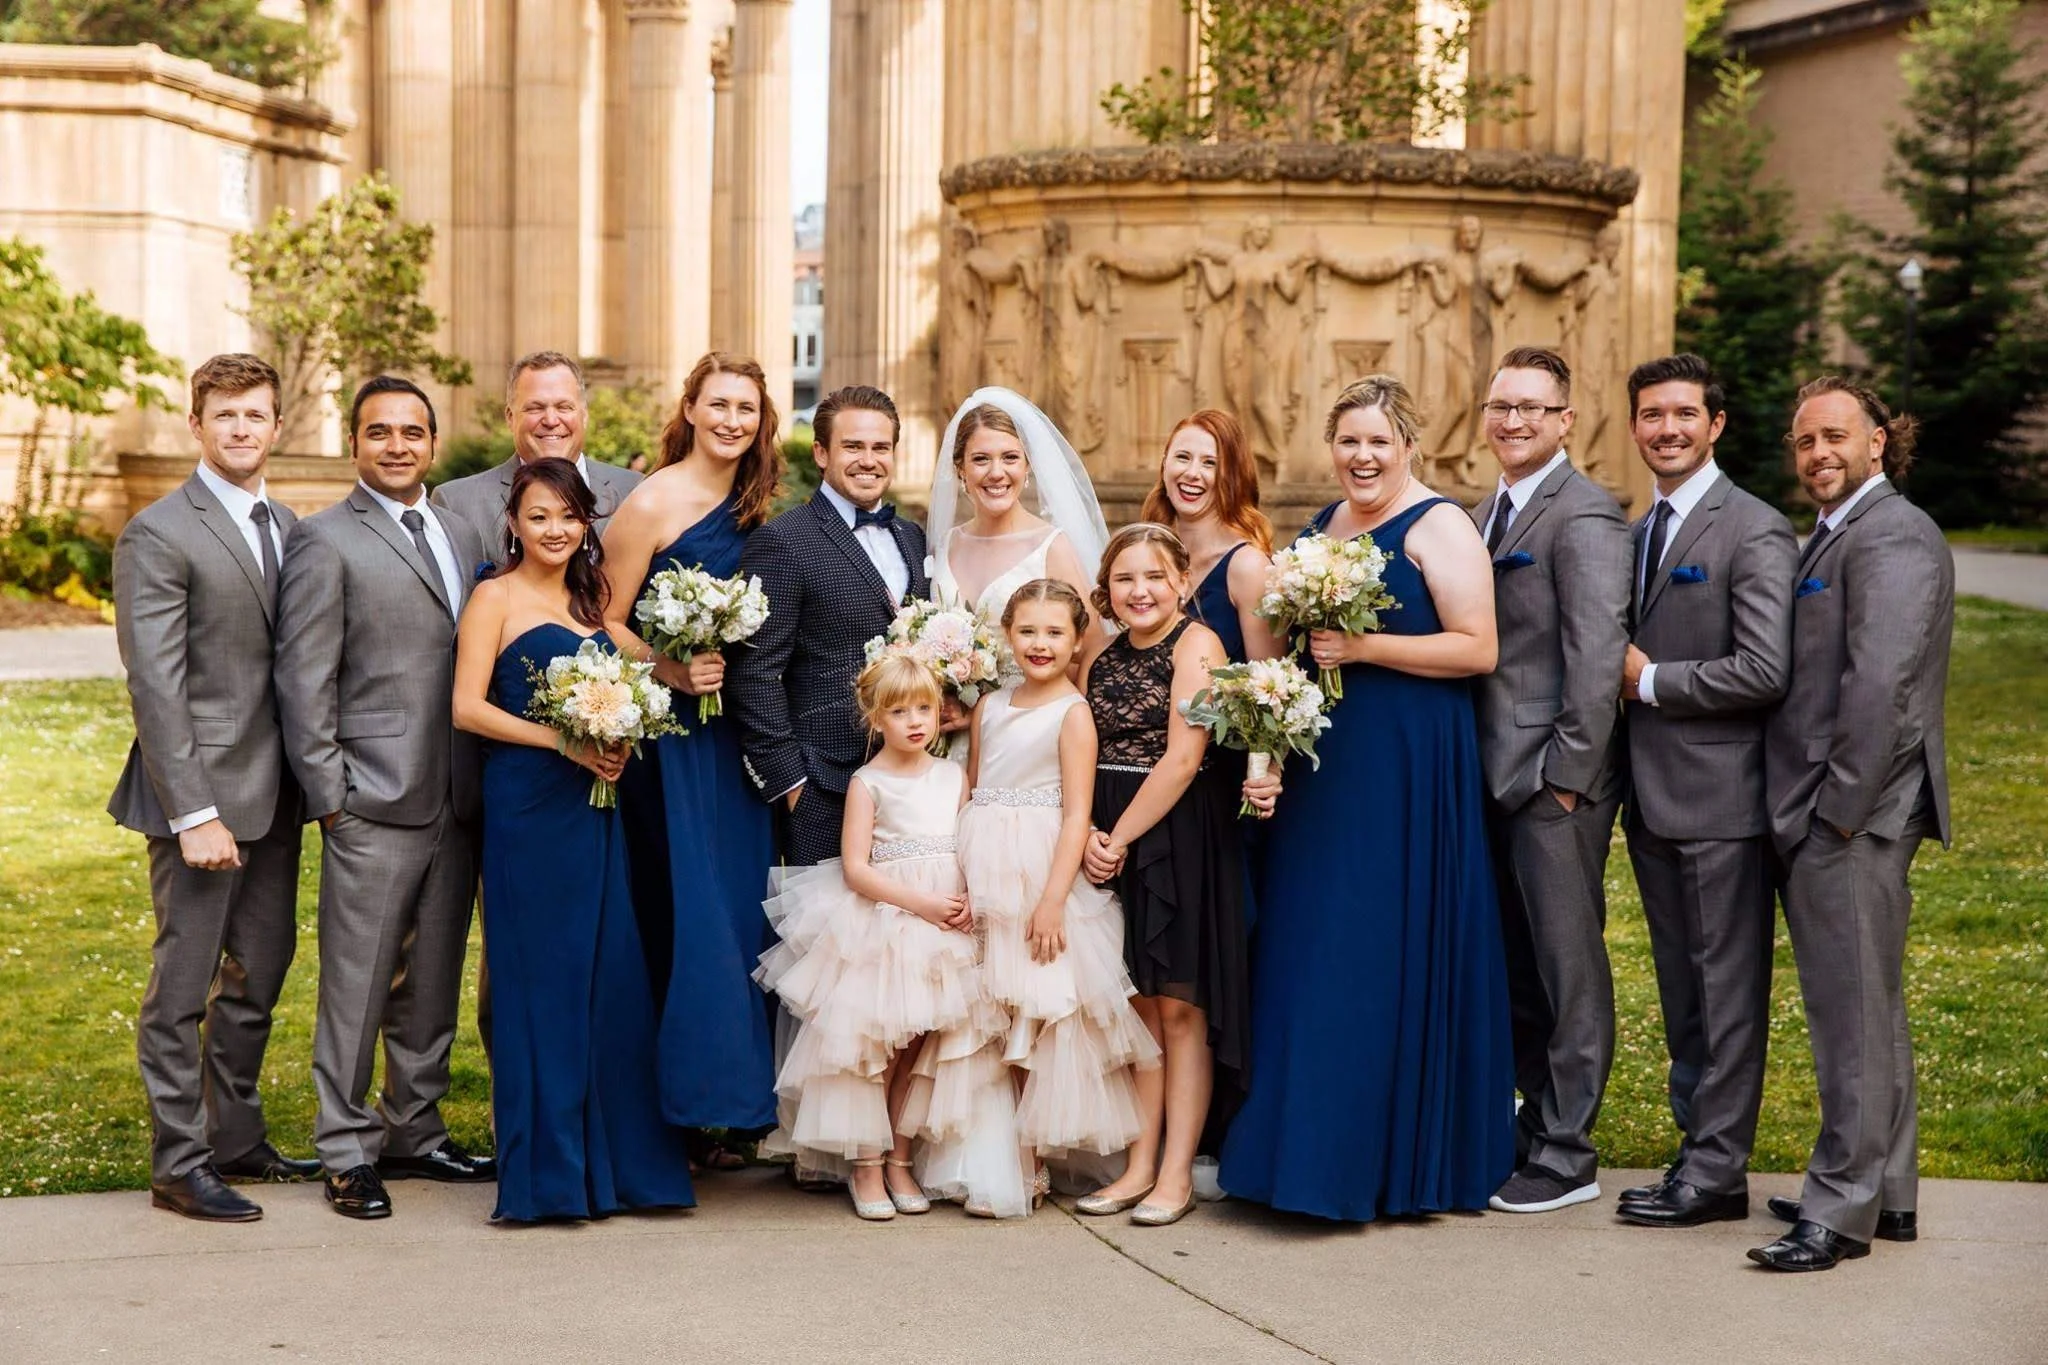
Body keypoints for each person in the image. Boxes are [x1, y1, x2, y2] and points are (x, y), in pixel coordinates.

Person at [1219, 375, 1514, 1222]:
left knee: (1378, 951)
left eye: (1379, 441)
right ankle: (1294, 1155)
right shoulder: (1321, 527)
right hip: (1327, 768)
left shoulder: (1440, 523)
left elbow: (1477, 648)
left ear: (1409, 445)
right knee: (1311, 947)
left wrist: (1366, 644)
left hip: (1407, 763)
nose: (1362, 456)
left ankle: (1378, 1164)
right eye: (1349, 440)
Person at [274, 376, 495, 1222]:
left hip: (457, 791)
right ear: (354, 444)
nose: (397, 445)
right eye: (380, 432)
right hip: (371, 797)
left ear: (433, 443)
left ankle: (414, 1127)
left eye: (412, 431)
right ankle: (344, 1144)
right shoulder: (325, 540)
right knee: (358, 982)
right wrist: (333, 797)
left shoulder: (459, 526)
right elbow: (303, 681)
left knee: (433, 976)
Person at [451, 458, 693, 1222]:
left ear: (588, 522)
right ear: (515, 525)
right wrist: (560, 743)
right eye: (539, 517)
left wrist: (622, 733)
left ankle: (618, 1169)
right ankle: (548, 1176)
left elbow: (634, 684)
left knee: (610, 975)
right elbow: (466, 708)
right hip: (527, 808)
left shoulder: (593, 602)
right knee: (542, 985)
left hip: (596, 806)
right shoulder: (494, 596)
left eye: (568, 516)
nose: (555, 530)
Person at [110, 353, 319, 1222]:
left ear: (278, 426)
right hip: (196, 798)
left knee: (262, 969)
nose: (241, 429)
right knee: (183, 984)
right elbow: (155, 684)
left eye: (256, 415)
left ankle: (234, 1134)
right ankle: (178, 1160)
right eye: (224, 414)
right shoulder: (159, 533)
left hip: (275, 797)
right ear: (196, 424)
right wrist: (193, 812)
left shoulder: (293, 524)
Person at [1749, 378, 1952, 1272]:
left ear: (1879, 441)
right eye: (1803, 441)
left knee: (1851, 1020)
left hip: (1853, 817)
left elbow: (1882, 687)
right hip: (1844, 811)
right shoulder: (1840, 531)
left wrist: (1834, 813)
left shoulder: (1895, 533)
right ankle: (1888, 1194)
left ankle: (1837, 1210)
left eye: (1835, 436)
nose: (1817, 453)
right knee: (1873, 1006)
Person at [1615, 354, 1795, 1230]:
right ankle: (1700, 1152)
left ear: (1715, 423)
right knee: (1684, 992)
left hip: (1723, 801)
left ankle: (1720, 1170)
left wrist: (1650, 683)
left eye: (1684, 414)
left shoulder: (1752, 528)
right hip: (1651, 801)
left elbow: (1765, 668)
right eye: (1652, 415)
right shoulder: (1639, 524)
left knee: (1726, 993)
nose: (1668, 429)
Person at [602, 353, 782, 1169]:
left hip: (738, 731)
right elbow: (601, 619)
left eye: (746, 407)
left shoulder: (760, 504)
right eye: (720, 404)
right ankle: (676, 1107)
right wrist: (669, 669)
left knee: (742, 911)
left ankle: (735, 1107)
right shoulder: (652, 500)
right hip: (672, 742)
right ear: (692, 407)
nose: (732, 420)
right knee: (685, 909)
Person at [1468, 348, 1633, 1215]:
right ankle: (1531, 1123)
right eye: (1501, 406)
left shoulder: (1588, 516)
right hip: (1490, 780)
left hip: (1551, 784)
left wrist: (1565, 779)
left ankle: (1569, 1149)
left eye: (1532, 408)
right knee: (1520, 965)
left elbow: (1598, 655)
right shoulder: (1487, 509)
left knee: (1569, 967)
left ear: (1566, 420)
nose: (1513, 421)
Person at [753, 653, 984, 1221]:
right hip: (886, 921)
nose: (915, 721)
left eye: (925, 709)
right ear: (875, 718)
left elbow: (967, 842)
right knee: (873, 1051)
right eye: (899, 710)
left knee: (920, 1047)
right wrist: (925, 904)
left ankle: (900, 1155)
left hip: (943, 927)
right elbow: (857, 869)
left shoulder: (954, 776)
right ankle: (866, 1163)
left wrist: (969, 894)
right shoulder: (867, 782)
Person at [956, 579, 1159, 1215]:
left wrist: (1051, 900)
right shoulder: (990, 705)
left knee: (1041, 1012)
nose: (1040, 644)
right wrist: (955, 870)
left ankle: (1033, 1162)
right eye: (1027, 631)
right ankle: (1004, 1151)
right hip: (984, 863)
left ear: (1077, 643)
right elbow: (971, 786)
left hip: (1041, 869)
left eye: (1054, 633)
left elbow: (1076, 814)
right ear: (1007, 636)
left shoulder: (1073, 713)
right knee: (993, 1012)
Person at [1073, 525, 1246, 1228]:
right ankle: (1138, 1164)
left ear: (1181, 581)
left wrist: (1117, 835)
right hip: (1106, 830)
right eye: (1123, 579)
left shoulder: (1197, 644)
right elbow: (1074, 742)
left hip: (1174, 829)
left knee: (1180, 1007)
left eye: (1153, 576)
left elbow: (1183, 757)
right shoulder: (1101, 653)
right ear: (1106, 591)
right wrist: (1084, 831)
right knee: (1136, 1007)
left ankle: (1176, 1171)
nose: (1138, 590)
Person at [731, 385, 930, 867]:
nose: (869, 460)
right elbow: (752, 673)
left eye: (881, 447)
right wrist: (792, 785)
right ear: (821, 453)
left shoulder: (912, 536)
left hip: (913, 782)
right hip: (824, 788)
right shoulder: (782, 541)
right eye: (853, 446)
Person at [927, 387, 1108, 650]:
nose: (996, 472)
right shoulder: (945, 544)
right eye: (980, 459)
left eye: (1010, 458)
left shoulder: (1052, 548)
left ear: (1027, 466)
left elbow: (1091, 651)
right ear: (960, 469)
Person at [432, 350, 644, 565]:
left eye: (564, 407)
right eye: (535, 408)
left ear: (584, 415)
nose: (551, 420)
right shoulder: (457, 504)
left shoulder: (635, 490)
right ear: (510, 417)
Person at [1137, 410, 1281, 665]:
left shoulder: (1249, 568)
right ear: (1164, 463)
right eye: (1182, 457)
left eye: (1210, 463)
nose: (1192, 473)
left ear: (1233, 477)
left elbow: (1271, 686)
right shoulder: (1143, 554)